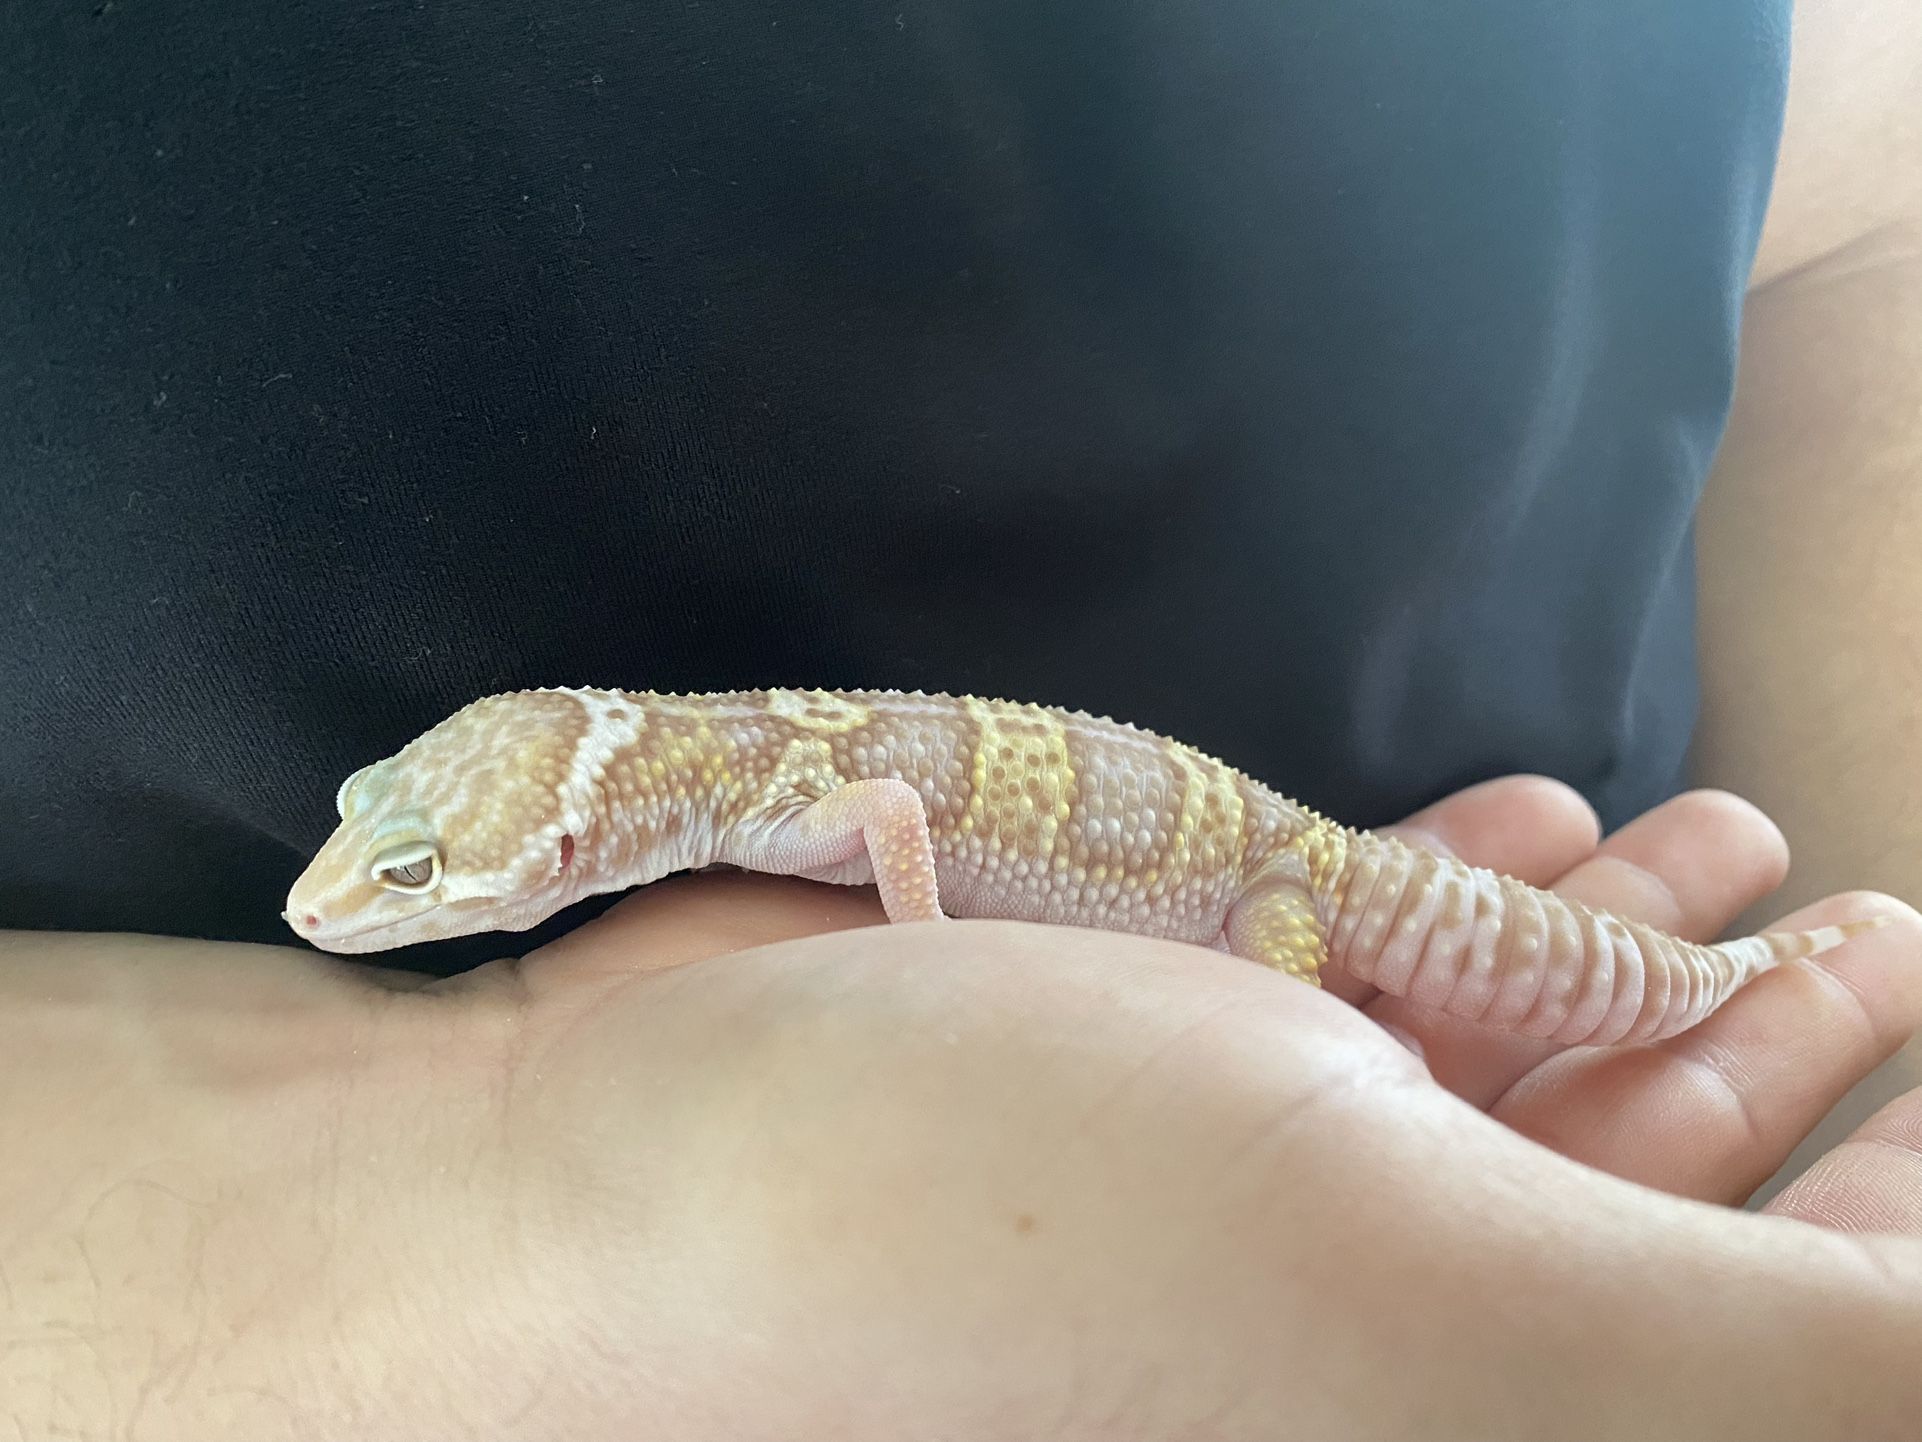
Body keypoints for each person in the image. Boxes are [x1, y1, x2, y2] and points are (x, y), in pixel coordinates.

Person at [2, 0, 1918, 1433]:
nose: (354, 890)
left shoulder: (770, 789)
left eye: (407, 855)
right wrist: (503, 1199)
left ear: (564, 835)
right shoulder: (740, 760)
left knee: (1601, 975)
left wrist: (939, 966)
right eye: (398, 840)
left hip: (1316, 904)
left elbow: (1858, 206)